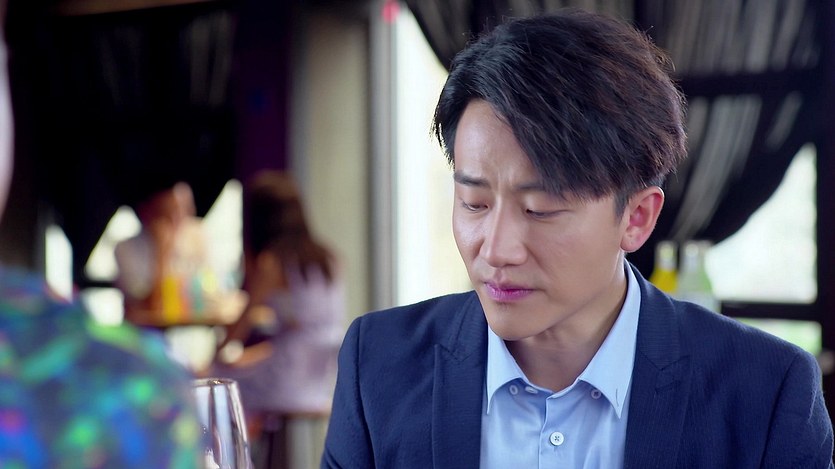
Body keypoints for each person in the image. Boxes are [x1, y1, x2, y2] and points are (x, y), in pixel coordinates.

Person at [322, 8, 834, 469]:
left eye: (540, 210)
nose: (495, 250)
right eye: (474, 203)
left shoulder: (765, 391)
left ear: (636, 218)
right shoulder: (379, 365)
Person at [0, 2, 204, 467]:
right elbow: (148, 300)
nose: (177, 217)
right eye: (171, 208)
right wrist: (166, 250)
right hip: (144, 335)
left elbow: (193, 293)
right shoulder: (118, 388)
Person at [211, 170, 345, 468]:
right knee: (241, 369)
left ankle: (238, 459)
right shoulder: (328, 259)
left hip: (288, 380)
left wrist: (216, 355)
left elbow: (242, 324)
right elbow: (304, 332)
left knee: (219, 381)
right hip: (321, 380)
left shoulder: (272, 262)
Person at [115, 180, 209, 326]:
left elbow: (203, 298)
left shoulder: (193, 240)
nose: (177, 221)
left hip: (185, 330)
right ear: (146, 213)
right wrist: (161, 254)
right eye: (167, 214)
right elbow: (152, 306)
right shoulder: (125, 249)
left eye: (182, 212)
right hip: (142, 333)